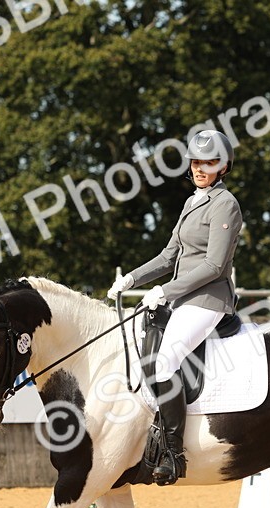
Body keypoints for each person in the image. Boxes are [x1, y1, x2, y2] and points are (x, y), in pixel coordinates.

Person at [107, 129, 243, 485]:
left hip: (209, 299)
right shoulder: (192, 201)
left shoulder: (225, 204)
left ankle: (172, 451)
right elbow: (170, 255)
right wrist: (132, 280)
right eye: (196, 161)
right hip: (183, 298)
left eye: (209, 162)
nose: (200, 168)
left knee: (164, 361)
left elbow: (214, 265)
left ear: (223, 166)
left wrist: (165, 290)